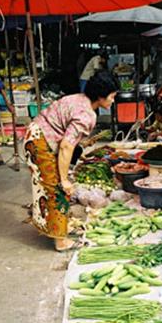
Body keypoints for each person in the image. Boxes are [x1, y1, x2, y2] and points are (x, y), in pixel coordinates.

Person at [24, 71, 119, 252]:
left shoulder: (79, 98)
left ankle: (52, 227)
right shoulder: (87, 114)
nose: (113, 100)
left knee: (45, 186)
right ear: (100, 96)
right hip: (40, 142)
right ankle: (61, 241)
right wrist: (65, 179)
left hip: (34, 134)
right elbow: (66, 146)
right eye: (112, 96)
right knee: (57, 188)